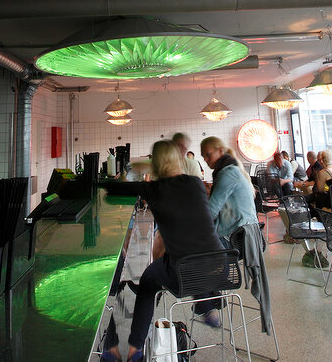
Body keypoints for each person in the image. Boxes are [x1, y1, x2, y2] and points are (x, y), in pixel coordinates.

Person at [101, 141, 223, 362]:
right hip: (220, 267)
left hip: (184, 271)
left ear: (156, 164)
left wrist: (138, 169)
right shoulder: (196, 183)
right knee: (193, 257)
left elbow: (114, 188)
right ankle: (206, 307)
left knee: (148, 282)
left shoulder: (154, 189)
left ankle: (134, 349)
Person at [199, 136, 259, 241]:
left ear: (220, 151)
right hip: (244, 228)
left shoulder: (227, 174)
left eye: (208, 154)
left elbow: (211, 211)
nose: (205, 159)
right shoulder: (230, 170)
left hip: (237, 234)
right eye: (203, 156)